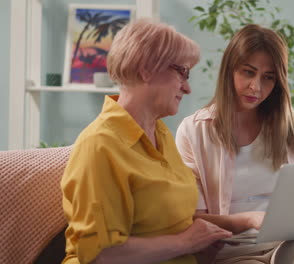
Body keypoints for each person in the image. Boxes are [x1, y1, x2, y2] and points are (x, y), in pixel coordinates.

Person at [60, 19, 232, 264]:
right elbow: (102, 254)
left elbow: (171, 224)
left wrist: (203, 243)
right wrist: (186, 243)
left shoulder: (160, 134)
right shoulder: (99, 145)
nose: (187, 87)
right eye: (182, 72)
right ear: (147, 68)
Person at [176, 24, 294, 263]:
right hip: (232, 251)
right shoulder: (195, 130)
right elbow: (191, 219)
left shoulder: (292, 134)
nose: (256, 87)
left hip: (289, 244)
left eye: (268, 78)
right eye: (248, 72)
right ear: (230, 70)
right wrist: (250, 219)